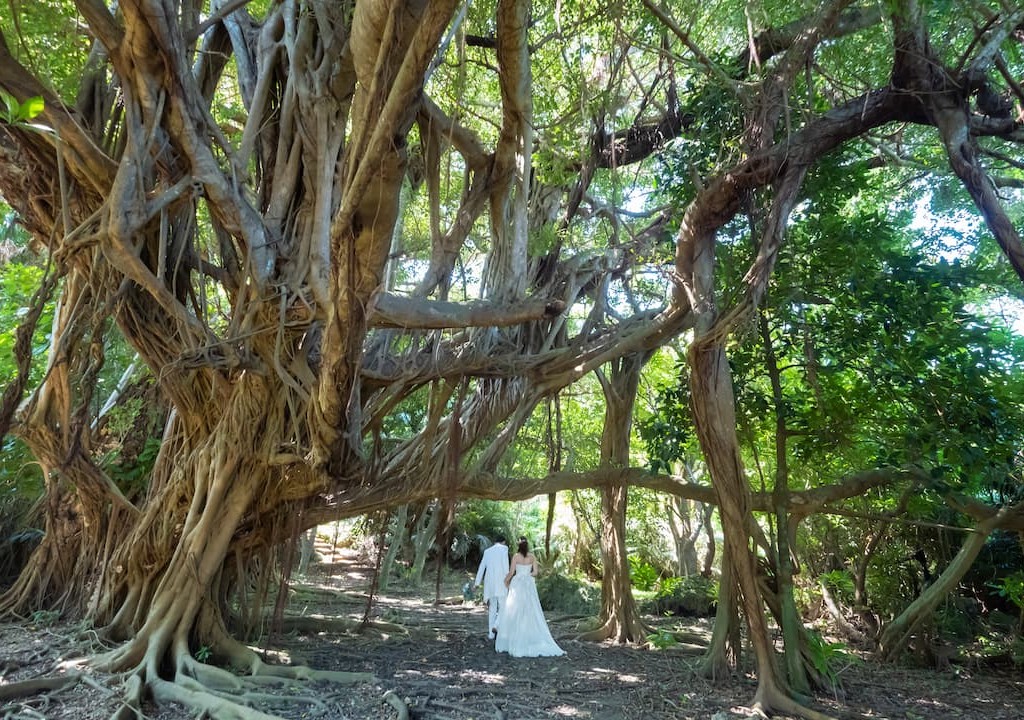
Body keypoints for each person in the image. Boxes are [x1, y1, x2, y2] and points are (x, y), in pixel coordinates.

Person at [494, 536, 565, 657]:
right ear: (527, 545)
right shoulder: (532, 557)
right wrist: (527, 575)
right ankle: (529, 636)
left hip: (517, 584)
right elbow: (536, 572)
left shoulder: (516, 557)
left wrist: (506, 581)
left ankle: (512, 638)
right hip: (528, 583)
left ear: (519, 545)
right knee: (530, 608)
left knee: (514, 608)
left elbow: (511, 572)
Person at [473, 534, 510, 640]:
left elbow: (481, 567)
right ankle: (496, 625)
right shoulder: (504, 549)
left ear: (495, 542)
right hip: (501, 582)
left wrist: (477, 583)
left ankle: (491, 634)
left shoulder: (487, 551)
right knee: (503, 606)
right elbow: (505, 566)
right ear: (503, 542)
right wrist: (507, 580)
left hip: (490, 583)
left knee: (492, 608)